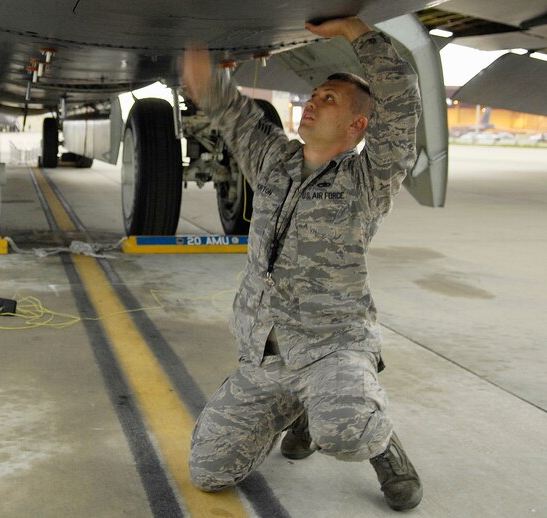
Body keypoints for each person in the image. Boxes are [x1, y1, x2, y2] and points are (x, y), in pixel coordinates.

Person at [183, 16, 423, 511]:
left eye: (329, 99)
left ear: (358, 125)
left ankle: (382, 447)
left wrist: (357, 31)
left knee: (348, 430)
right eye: (313, 94)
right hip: (264, 354)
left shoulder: (367, 180)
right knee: (209, 472)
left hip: (331, 348)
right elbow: (233, 113)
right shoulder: (274, 160)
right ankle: (297, 412)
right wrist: (205, 75)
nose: (312, 101)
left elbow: (400, 99)